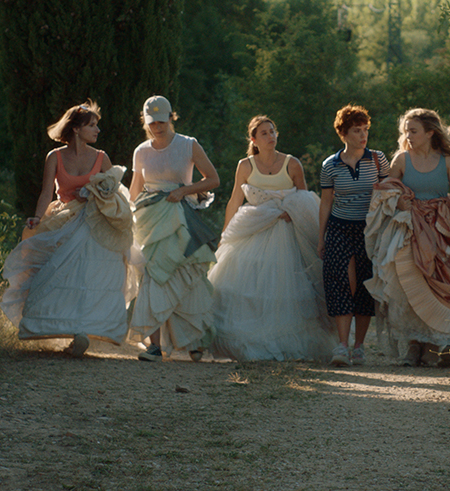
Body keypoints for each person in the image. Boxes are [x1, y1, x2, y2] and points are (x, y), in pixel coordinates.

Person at [1, 100, 139, 357]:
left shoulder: (101, 157)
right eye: (92, 125)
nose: (97, 130)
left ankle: (82, 332)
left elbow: (118, 193)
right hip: (64, 218)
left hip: (95, 222)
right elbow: (45, 193)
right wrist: (38, 217)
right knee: (57, 274)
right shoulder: (54, 157)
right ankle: (66, 328)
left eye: (97, 125)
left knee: (91, 277)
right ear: (76, 129)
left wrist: (96, 194)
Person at [364, 108, 450, 367]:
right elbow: (386, 192)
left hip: (442, 227)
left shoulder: (447, 160)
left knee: (445, 285)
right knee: (410, 286)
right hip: (410, 228)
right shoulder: (402, 160)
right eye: (406, 131)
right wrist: (400, 203)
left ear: (430, 132)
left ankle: (438, 344)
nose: (408, 135)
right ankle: (413, 346)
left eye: (413, 131)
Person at [208, 116, 334, 361]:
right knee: (248, 281)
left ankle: (285, 343)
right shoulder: (245, 165)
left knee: (285, 283)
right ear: (254, 139)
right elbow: (235, 201)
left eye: (273, 131)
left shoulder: (291, 163)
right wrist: (226, 235)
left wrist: (293, 212)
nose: (270, 136)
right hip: (254, 228)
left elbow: (305, 199)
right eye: (264, 133)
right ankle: (248, 340)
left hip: (286, 231)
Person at [128, 95, 220, 362]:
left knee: (187, 274)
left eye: (161, 120)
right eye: (151, 122)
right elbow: (136, 188)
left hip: (181, 217)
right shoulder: (141, 150)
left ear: (171, 117)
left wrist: (184, 190)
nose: (157, 126)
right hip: (150, 219)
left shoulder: (188, 145)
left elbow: (212, 179)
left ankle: (195, 342)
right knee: (152, 276)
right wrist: (127, 215)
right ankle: (154, 346)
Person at [318, 104, 390, 367]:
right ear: (343, 133)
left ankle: (359, 347)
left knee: (364, 283)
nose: (363, 135)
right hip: (339, 226)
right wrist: (321, 237)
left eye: (365, 130)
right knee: (338, 281)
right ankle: (341, 345)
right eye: (357, 130)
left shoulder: (377, 159)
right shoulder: (330, 164)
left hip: (369, 229)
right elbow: (326, 202)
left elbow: (388, 191)